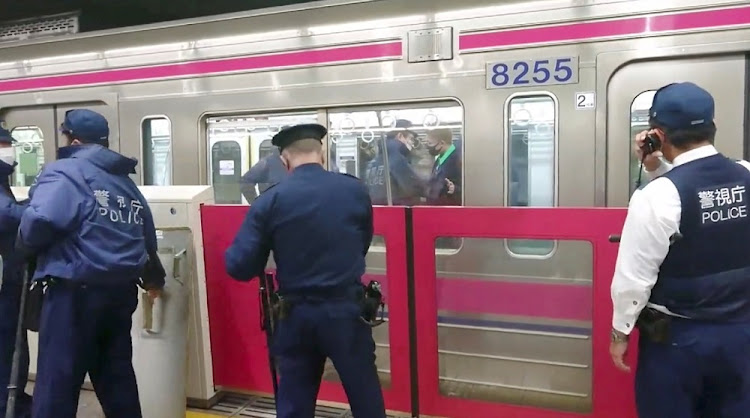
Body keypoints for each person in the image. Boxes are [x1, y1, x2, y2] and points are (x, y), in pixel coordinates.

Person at [225, 124, 386, 418]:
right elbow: (362, 242)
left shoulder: (270, 201)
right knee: (364, 394)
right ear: (321, 154)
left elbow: (239, 266)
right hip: (347, 311)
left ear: (284, 161)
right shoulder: (355, 190)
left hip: (296, 315)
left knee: (296, 400)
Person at [609, 82, 750, 417]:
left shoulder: (655, 197)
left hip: (678, 343)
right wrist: (657, 166)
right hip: (741, 335)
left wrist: (620, 332)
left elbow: (633, 279)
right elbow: (698, 187)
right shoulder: (745, 174)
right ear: (712, 127)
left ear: (657, 134)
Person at [16, 109, 166, 418]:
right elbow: (146, 233)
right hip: (120, 293)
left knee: (57, 382)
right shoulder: (124, 182)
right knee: (117, 378)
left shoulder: (65, 171)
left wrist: (24, 246)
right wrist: (155, 279)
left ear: (71, 138)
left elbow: (40, 219)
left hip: (74, 294)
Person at [0, 126, 32, 418]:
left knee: (12, 346)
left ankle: (15, 400)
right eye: (3, 144)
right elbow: (5, 215)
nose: (8, 149)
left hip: (8, 285)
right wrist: (36, 207)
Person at [364, 119, 423, 205]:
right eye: (411, 139)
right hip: (397, 214)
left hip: (377, 213)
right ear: (400, 136)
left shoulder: (372, 163)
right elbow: (414, 188)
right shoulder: (397, 159)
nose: (412, 144)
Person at [424, 128, 461, 206]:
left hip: (450, 207)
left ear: (441, 143)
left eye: (429, 143)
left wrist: (456, 189)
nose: (427, 146)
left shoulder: (458, 158)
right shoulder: (441, 157)